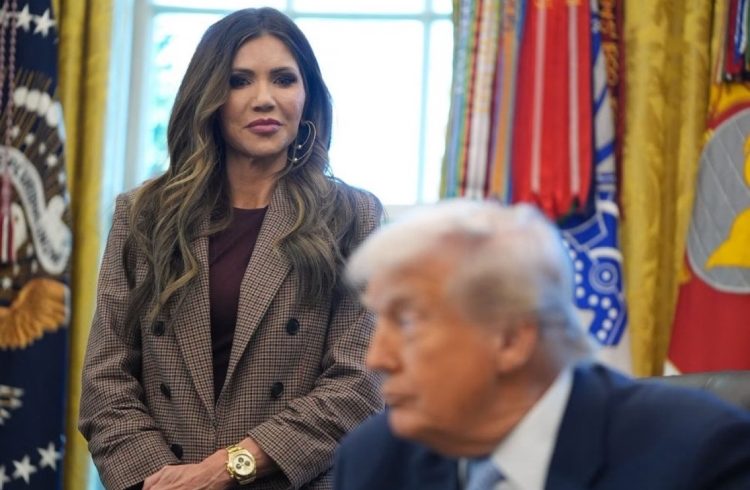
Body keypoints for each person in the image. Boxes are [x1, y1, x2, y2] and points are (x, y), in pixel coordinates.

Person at [79, 8, 383, 490]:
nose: (264, 98)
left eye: (283, 79)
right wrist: (166, 482)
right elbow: (105, 380)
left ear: (307, 96)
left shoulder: (352, 216)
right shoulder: (144, 214)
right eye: (239, 81)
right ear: (209, 97)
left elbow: (358, 384)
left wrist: (226, 468)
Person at [334, 200, 750, 490]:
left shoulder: (699, 456)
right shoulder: (374, 460)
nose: (376, 358)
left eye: (406, 321)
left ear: (512, 338)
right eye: (378, 321)